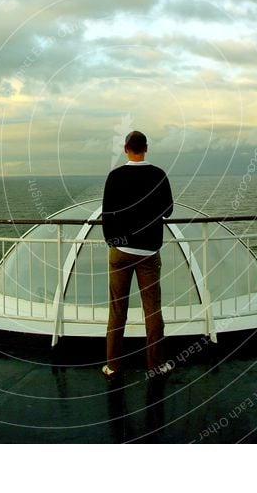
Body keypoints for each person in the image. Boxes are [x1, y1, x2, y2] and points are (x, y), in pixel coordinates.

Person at [101, 130, 174, 378]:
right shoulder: (158, 175)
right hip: (148, 251)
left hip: (120, 250)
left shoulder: (115, 176)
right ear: (146, 147)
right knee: (152, 309)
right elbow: (169, 211)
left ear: (126, 149)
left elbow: (107, 213)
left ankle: (113, 365)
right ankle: (156, 364)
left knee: (117, 309)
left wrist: (112, 241)